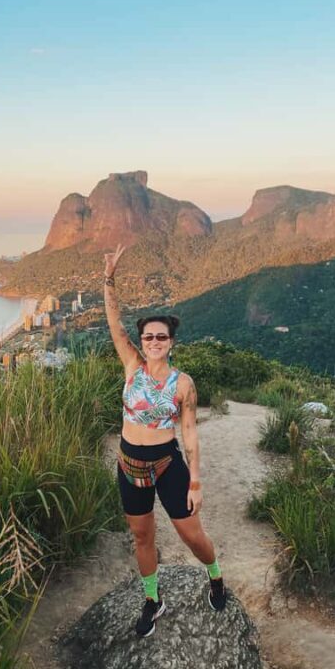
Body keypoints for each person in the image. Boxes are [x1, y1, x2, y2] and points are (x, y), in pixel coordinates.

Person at [103, 244, 228, 638]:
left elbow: (189, 433)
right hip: (129, 464)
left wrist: (195, 481)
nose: (154, 341)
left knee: (190, 534)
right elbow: (113, 323)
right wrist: (108, 278)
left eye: (161, 336)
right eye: (148, 336)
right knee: (142, 535)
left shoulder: (183, 384)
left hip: (167, 463)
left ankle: (215, 575)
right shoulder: (131, 365)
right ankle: (153, 600)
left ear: (171, 341)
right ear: (141, 340)